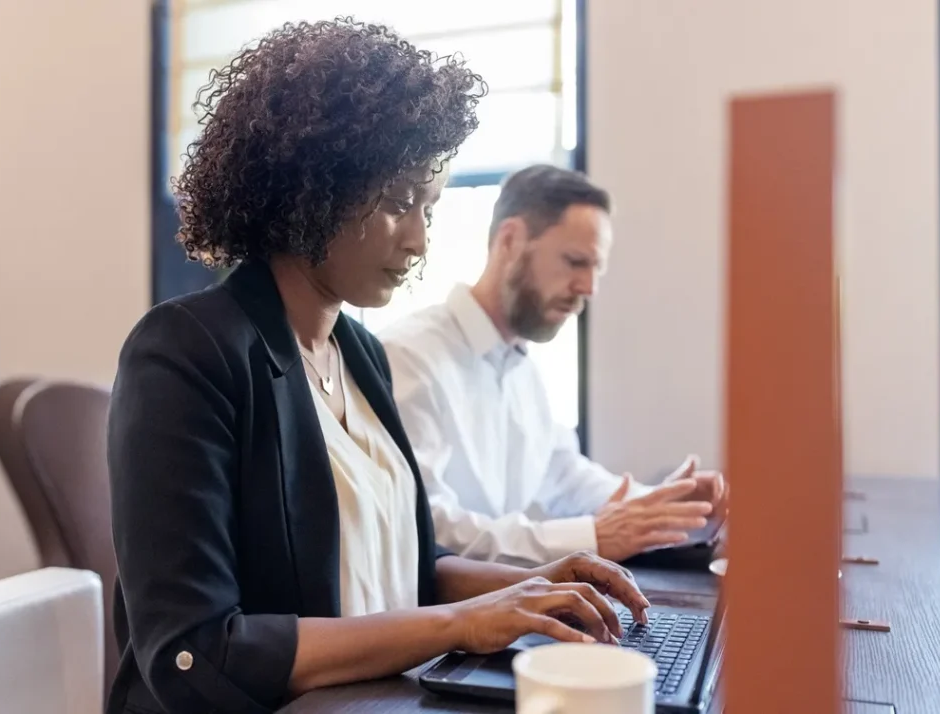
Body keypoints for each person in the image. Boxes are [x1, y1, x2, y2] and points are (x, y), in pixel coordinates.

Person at [106, 21, 651, 714]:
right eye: (399, 202)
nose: (420, 238)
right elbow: (195, 653)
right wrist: (460, 623)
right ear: (314, 188)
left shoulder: (359, 354)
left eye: (429, 206)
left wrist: (537, 583)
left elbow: (408, 572)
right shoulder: (187, 352)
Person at [380, 164, 729, 567]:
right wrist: (592, 537)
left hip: (506, 610)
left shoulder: (523, 371)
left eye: (596, 268)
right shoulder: (407, 357)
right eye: (576, 261)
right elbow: (428, 528)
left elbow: (565, 477)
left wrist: (674, 508)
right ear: (510, 240)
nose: (589, 288)